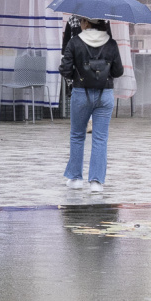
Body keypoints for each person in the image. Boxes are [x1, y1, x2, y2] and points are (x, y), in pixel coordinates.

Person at [61, 17, 123, 198]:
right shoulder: (111, 44)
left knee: (77, 135)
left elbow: (65, 69)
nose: (80, 23)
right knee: (100, 138)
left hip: (81, 93)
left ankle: (75, 178)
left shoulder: (75, 42)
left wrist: (79, 72)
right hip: (105, 94)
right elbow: (118, 71)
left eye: (81, 21)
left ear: (87, 23)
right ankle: (96, 182)